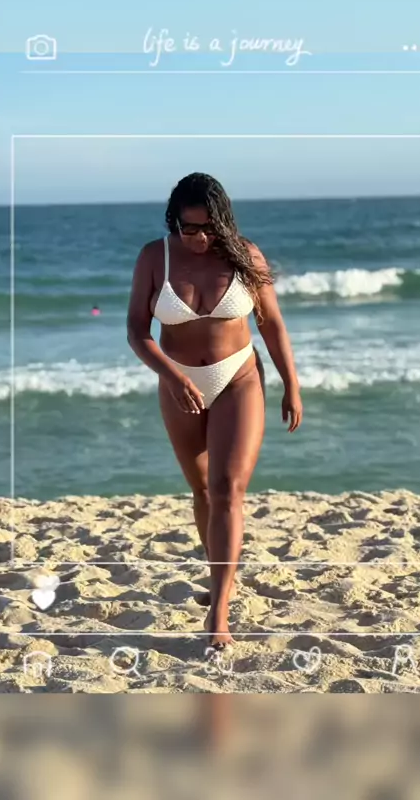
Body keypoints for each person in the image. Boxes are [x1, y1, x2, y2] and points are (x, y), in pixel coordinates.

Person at [127, 172, 303, 648]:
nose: (200, 238)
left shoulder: (245, 255)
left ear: (223, 221)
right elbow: (137, 331)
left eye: (209, 227)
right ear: (175, 222)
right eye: (190, 228)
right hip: (179, 381)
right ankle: (220, 576)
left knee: (227, 489)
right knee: (202, 490)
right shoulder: (155, 258)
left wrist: (291, 384)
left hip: (238, 377)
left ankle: (219, 610)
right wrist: (170, 375)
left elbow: (272, 324)